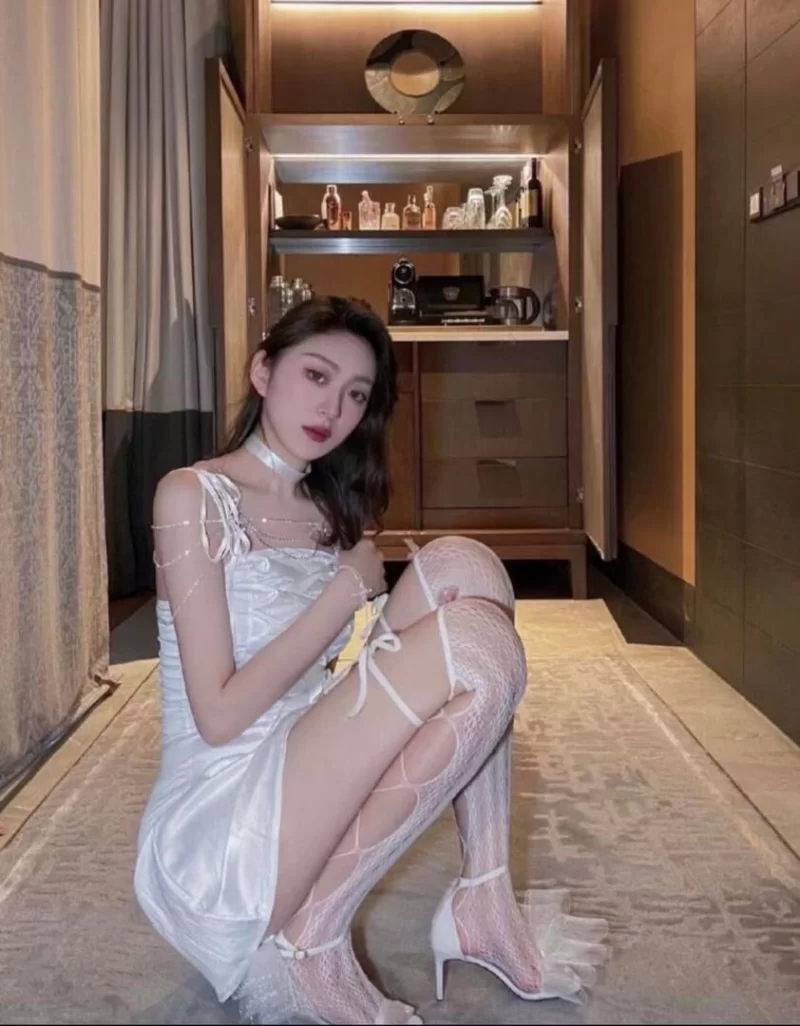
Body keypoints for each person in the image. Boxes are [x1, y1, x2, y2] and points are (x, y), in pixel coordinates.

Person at [134, 296, 607, 1024]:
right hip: (222, 831)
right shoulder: (191, 495)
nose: (334, 408)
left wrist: (365, 608)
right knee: (477, 651)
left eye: (357, 394)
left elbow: (320, 676)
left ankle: (484, 893)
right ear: (263, 371)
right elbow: (219, 715)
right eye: (316, 375)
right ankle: (312, 939)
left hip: (303, 762)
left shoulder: (325, 507)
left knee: (466, 565)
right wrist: (346, 594)